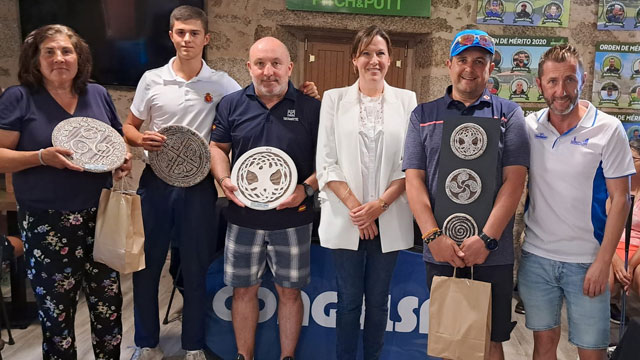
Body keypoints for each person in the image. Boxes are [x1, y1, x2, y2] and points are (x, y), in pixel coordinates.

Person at [0, 24, 131, 360]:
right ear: (36, 59)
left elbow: (115, 143)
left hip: (101, 219)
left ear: (79, 57)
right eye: (50, 52)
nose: (59, 58)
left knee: (109, 310)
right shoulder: (19, 98)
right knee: (56, 317)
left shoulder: (97, 94)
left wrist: (121, 161)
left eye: (66, 51)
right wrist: (41, 157)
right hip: (47, 225)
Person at [122, 6, 241, 360]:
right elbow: (128, 127)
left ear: (207, 38)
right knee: (147, 267)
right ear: (171, 35)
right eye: (179, 32)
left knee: (195, 268)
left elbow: (254, 108)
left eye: (193, 33)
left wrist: (304, 93)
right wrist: (140, 140)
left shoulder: (222, 84)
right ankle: (146, 343)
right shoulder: (151, 79)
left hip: (200, 188)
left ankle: (193, 345)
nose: (186, 39)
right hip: (155, 184)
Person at [403, 29, 529, 360]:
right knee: (452, 336)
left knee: (490, 340)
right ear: (449, 64)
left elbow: (514, 181)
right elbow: (413, 180)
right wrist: (433, 237)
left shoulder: (510, 114)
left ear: (490, 68)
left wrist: (486, 240)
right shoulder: (424, 115)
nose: (469, 69)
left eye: (479, 61)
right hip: (441, 248)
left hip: (493, 252)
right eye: (462, 60)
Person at [519, 44, 634, 360]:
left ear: (583, 80)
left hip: (587, 261)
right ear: (540, 84)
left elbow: (621, 200)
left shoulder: (607, 129)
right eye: (553, 81)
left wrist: (603, 261)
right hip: (537, 258)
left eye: (569, 80)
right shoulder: (529, 127)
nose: (561, 90)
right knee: (542, 346)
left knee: (591, 353)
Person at [209, 36, 321, 360]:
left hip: (294, 217)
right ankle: (245, 356)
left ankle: (287, 357)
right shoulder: (230, 104)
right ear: (249, 68)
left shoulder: (312, 107)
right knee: (243, 291)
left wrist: (307, 189)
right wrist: (224, 178)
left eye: (275, 63)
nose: (268, 71)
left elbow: (329, 161)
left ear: (290, 67)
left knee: (290, 293)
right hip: (243, 216)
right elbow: (218, 147)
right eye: (260, 64)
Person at [315, 25, 417, 360]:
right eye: (366, 53)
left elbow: (410, 165)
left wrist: (380, 206)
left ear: (391, 58)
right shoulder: (334, 99)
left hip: (388, 217)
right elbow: (326, 161)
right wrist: (360, 211)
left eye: (381, 53)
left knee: (378, 301)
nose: (374, 60)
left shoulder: (407, 101)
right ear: (354, 59)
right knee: (347, 302)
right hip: (347, 218)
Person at [609, 140, 640, 324]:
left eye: (633, 158)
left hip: (637, 254)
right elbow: (601, 225)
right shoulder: (613, 186)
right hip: (611, 247)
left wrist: (629, 264)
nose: (626, 163)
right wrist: (614, 259)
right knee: (603, 279)